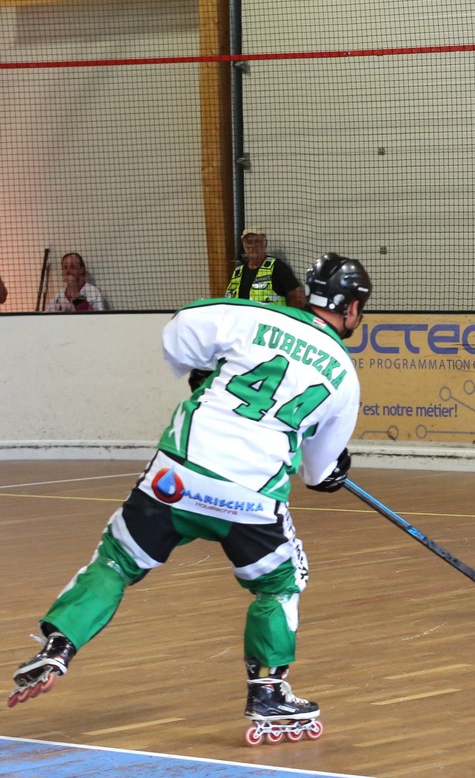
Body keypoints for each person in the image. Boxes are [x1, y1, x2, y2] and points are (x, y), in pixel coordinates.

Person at [9, 253, 372, 747]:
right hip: (249, 495)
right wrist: (333, 472)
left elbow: (179, 330)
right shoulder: (345, 378)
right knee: (280, 584)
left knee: (116, 561)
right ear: (351, 308)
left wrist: (200, 369)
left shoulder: (254, 315)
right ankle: (268, 690)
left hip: (177, 475)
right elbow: (318, 470)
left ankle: (59, 643)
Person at [226, 228, 307, 308]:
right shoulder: (237, 272)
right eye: (249, 242)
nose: (253, 246)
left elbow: (299, 299)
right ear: (244, 245)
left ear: (265, 243)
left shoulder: (277, 267)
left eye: (257, 241)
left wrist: (283, 315)